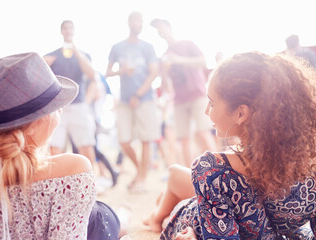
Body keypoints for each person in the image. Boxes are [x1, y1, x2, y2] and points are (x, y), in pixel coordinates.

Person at [145, 51, 316, 239]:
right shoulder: (308, 161)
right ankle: (157, 217)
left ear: (241, 114)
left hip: (199, 216)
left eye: (211, 103)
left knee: (177, 177)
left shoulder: (214, 169)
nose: (206, 110)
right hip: (194, 215)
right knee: (176, 179)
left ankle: (158, 216)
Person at [0, 52, 96, 239]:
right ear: (33, 125)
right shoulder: (74, 170)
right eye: (54, 107)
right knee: (101, 217)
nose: (60, 110)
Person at [150, 18, 217, 167]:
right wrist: (165, 73)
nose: (160, 32)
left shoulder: (187, 44)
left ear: (169, 27)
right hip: (179, 100)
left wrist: (178, 60)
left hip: (198, 95)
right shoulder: (164, 57)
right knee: (184, 139)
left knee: (203, 133)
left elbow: (202, 62)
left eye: (161, 28)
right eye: (157, 30)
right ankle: (190, 176)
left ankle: (220, 168)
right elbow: (165, 88)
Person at [106, 12, 160, 193]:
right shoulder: (117, 47)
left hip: (144, 99)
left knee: (146, 139)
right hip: (124, 99)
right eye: (137, 21)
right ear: (129, 22)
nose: (140, 24)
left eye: (141, 21)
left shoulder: (148, 47)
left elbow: (154, 72)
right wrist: (120, 71)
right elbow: (107, 73)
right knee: (123, 140)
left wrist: (139, 94)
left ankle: (141, 179)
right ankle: (140, 171)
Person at [43, 20, 98, 174]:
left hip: (78, 104)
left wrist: (76, 52)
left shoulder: (84, 55)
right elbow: (39, 73)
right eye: (65, 28)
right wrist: (45, 63)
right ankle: (59, 182)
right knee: (55, 148)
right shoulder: (52, 55)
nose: (68, 31)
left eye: (70, 28)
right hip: (58, 107)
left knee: (86, 145)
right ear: (61, 31)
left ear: (74, 31)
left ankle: (90, 181)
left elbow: (92, 75)